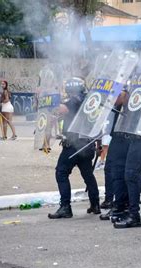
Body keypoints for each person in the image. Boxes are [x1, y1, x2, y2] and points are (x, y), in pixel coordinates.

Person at [48, 77, 100, 219]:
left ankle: (65, 207)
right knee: (88, 175)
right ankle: (95, 204)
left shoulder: (74, 100)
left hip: (74, 145)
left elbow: (62, 109)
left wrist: (49, 101)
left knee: (61, 173)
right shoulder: (89, 100)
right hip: (86, 143)